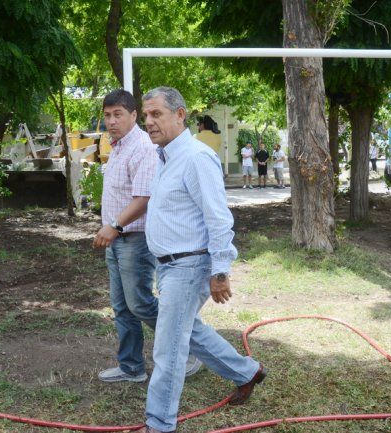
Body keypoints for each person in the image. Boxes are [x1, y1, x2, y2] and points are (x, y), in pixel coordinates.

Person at [139, 87, 266, 433]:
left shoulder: (195, 157)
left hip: (189, 266)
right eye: (146, 115)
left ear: (180, 115)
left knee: (169, 349)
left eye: (157, 114)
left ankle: (159, 423)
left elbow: (218, 217)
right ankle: (247, 372)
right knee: (187, 332)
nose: (149, 122)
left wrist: (220, 270)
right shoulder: (167, 157)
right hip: (169, 266)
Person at [93, 89, 201, 383]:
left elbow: (143, 199)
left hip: (134, 240)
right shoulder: (118, 146)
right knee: (122, 306)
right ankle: (131, 367)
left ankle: (193, 349)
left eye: (117, 115)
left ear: (133, 115)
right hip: (117, 239)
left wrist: (113, 225)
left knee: (140, 303)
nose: (111, 121)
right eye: (107, 115)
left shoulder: (142, 146)